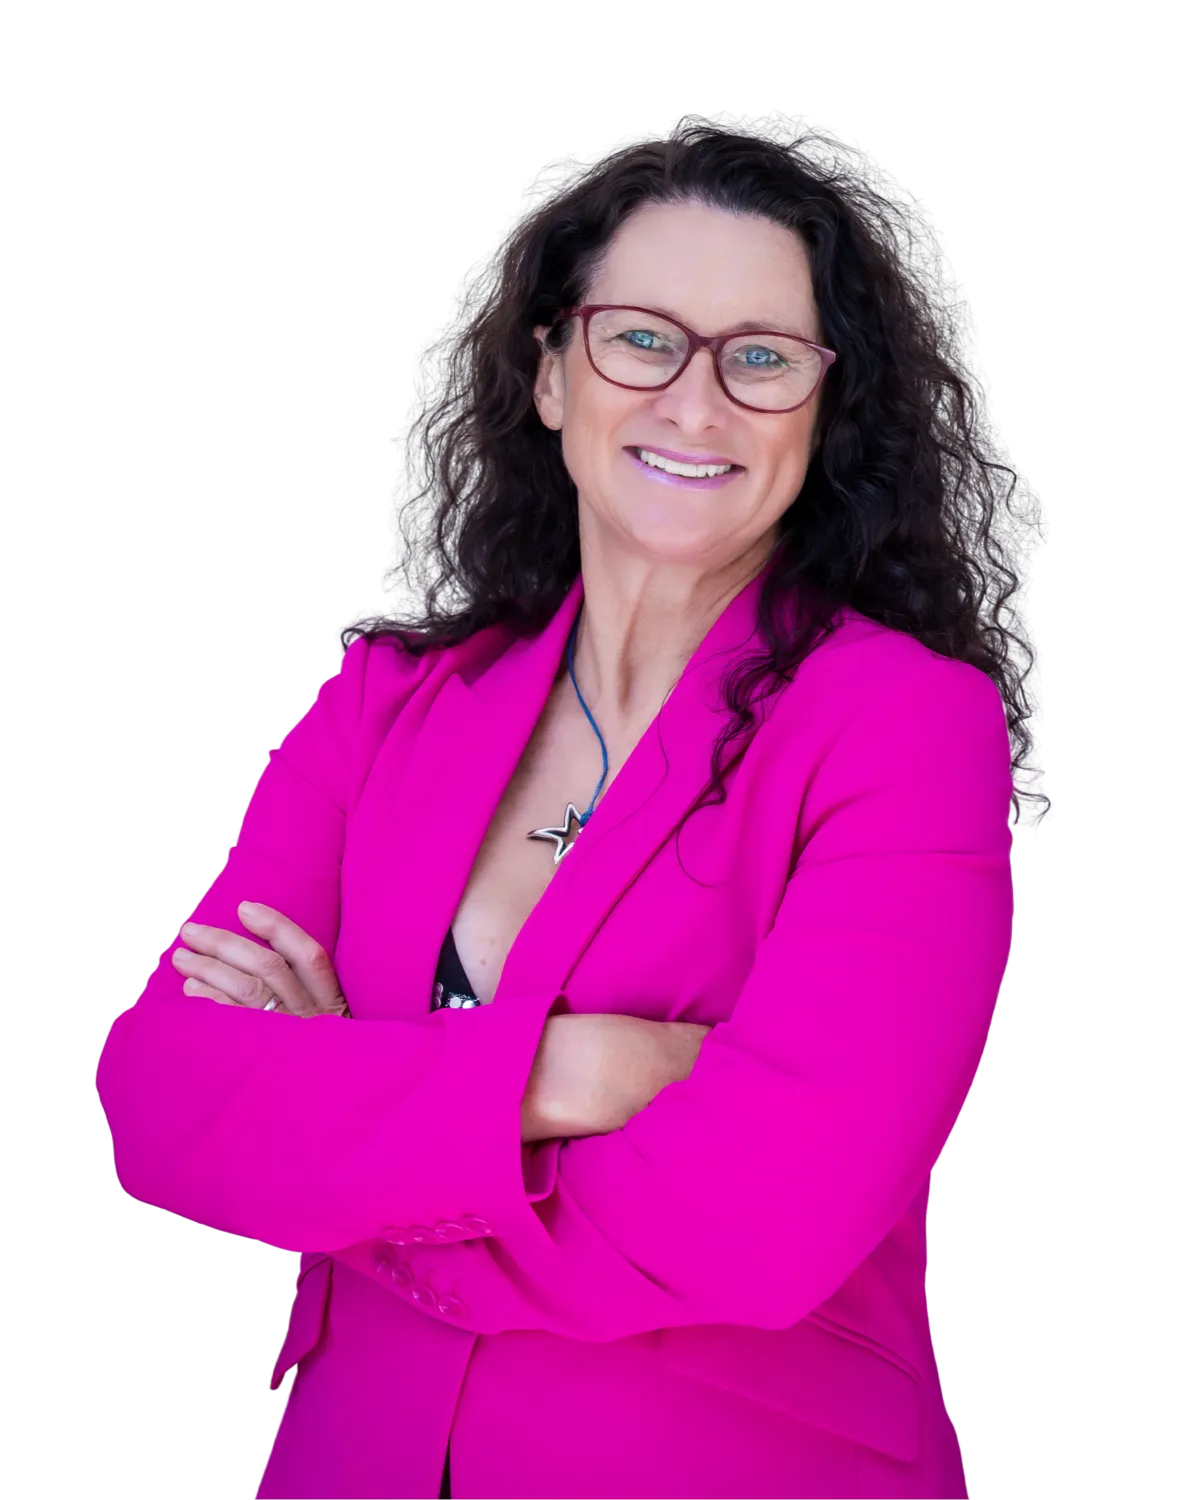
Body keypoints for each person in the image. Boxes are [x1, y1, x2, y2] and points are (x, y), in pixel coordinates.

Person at [95, 110, 1049, 1499]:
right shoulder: (385, 701)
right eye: (640, 338)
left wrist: (343, 1118)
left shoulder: (903, 727)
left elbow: (767, 1222)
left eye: (763, 358)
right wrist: (569, 1076)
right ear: (550, 373)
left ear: (827, 412)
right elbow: (164, 1100)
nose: (695, 404)